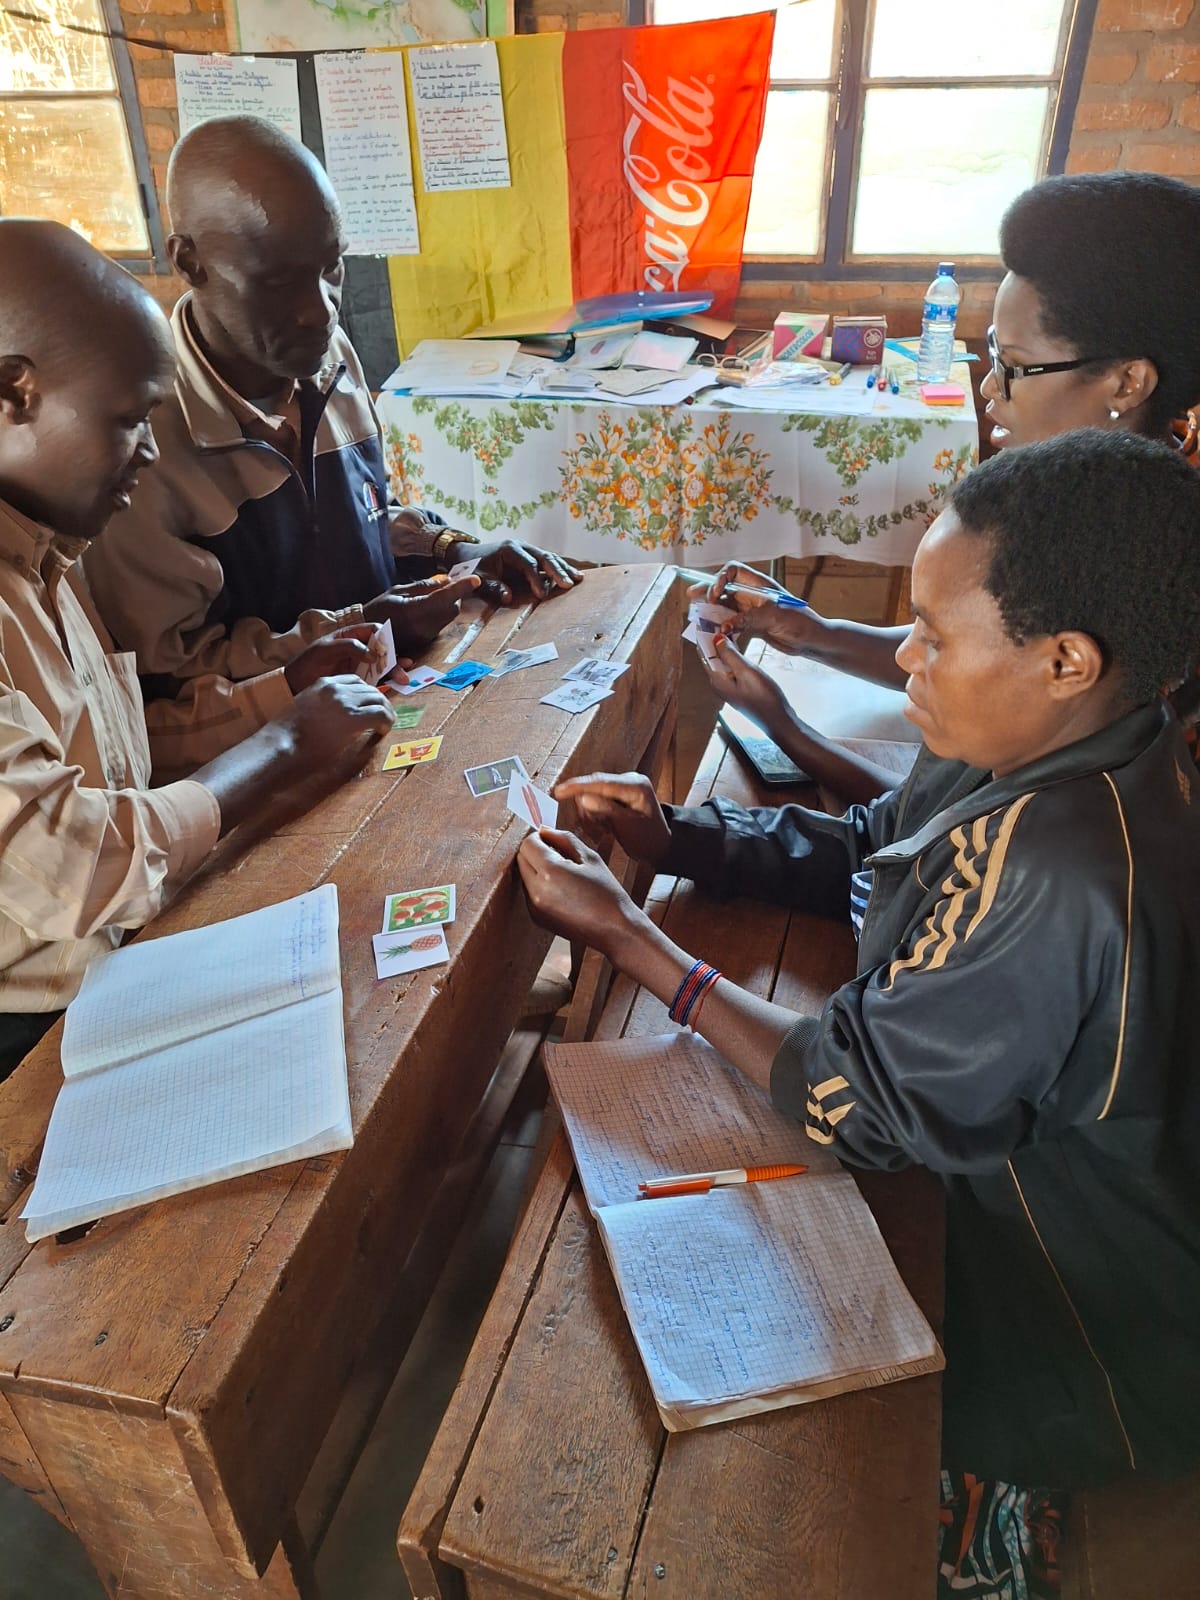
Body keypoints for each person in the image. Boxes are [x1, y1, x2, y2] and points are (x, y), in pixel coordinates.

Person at [516, 430, 1200, 1599]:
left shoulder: (1064, 875)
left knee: (774, 1490)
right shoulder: (1047, 750)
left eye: (933, 638)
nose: (908, 662)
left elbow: (858, 1101)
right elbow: (877, 851)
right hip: (1019, 1196)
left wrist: (637, 940)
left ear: (1067, 661)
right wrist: (679, 836)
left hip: (1086, 1317)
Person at [0, 219, 395, 1077]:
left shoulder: (45, 552)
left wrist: (282, 692)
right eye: (127, 421)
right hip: (28, 1038)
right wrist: (282, 746)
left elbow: (112, 765)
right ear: (13, 394)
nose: (148, 451)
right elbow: (67, 858)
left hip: (120, 950)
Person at [697, 170, 1200, 804]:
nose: (990, 388)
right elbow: (967, 655)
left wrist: (785, 729)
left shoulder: (1150, 575)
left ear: (1127, 384)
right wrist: (811, 631)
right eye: (990, 353)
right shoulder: (1099, 497)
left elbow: (945, 832)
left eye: (1014, 367)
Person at [82, 116, 582, 701]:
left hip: (380, 693)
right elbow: (174, 676)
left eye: (332, 268)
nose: (321, 311)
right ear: (190, 262)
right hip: (275, 755)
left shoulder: (324, 353)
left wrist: (451, 551)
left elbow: (360, 518)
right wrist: (362, 626)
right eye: (278, 283)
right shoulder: (141, 443)